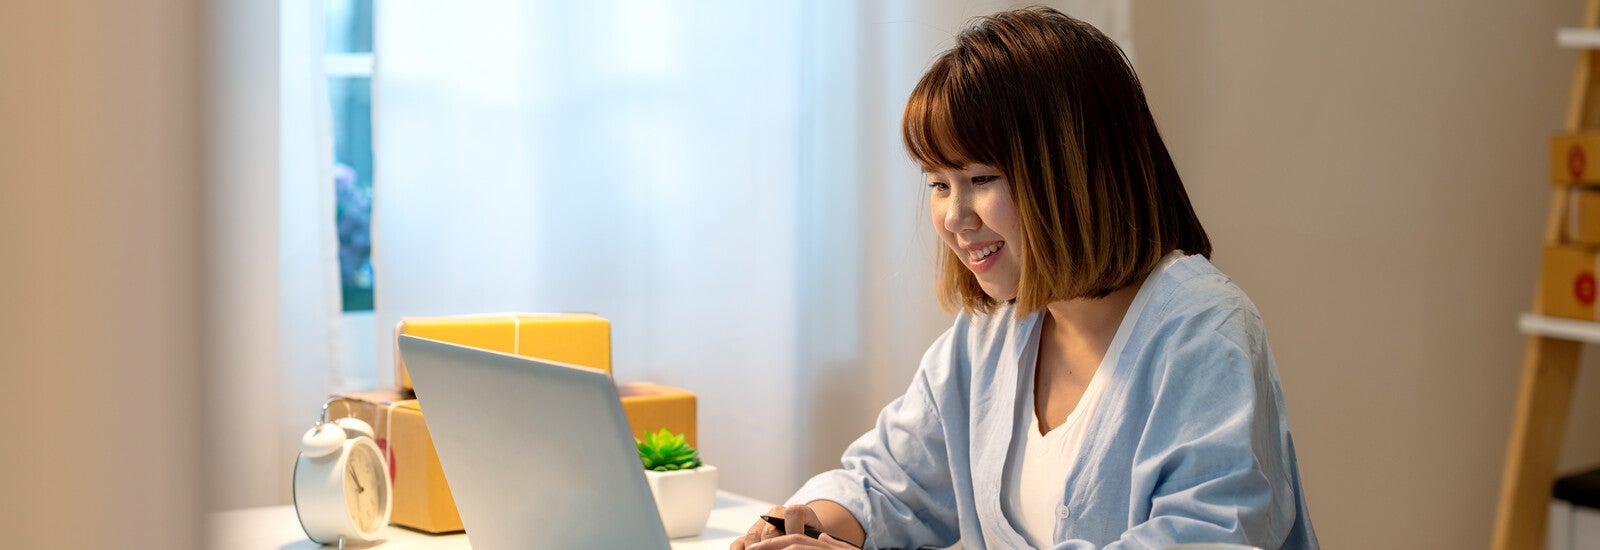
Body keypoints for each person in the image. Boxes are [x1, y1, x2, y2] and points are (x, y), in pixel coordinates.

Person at [734, 7, 1317, 550]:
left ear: (1074, 171)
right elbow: (890, 482)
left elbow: (1204, 535)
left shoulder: (1201, 332)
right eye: (939, 184)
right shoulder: (987, 337)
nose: (954, 218)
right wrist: (807, 525)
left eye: (982, 179)